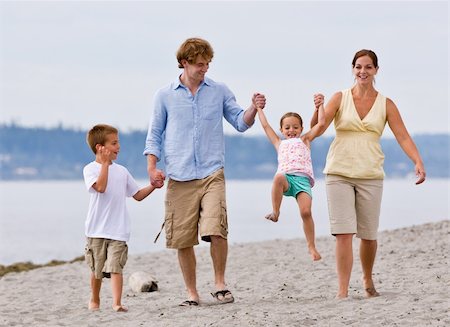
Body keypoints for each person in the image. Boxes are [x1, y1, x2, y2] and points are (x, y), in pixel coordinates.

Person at [143, 37, 266, 306]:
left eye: (208, 64)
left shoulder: (219, 90)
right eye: (200, 64)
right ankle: (192, 293)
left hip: (212, 172)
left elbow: (240, 122)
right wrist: (152, 168)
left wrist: (253, 109)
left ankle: (220, 284)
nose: (204, 69)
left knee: (217, 229)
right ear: (184, 63)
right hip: (179, 175)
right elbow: (154, 135)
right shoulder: (164, 95)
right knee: (183, 238)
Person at [311, 49, 426, 299]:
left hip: (370, 173)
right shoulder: (340, 98)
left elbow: (403, 136)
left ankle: (367, 277)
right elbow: (319, 127)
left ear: (376, 70)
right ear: (352, 69)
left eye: (368, 67)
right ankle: (342, 291)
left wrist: (417, 160)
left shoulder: (386, 103)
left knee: (368, 235)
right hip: (338, 172)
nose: (363, 71)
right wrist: (315, 114)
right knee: (343, 233)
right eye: (358, 67)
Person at [83, 124, 157, 312]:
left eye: (118, 142)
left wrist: (153, 186)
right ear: (100, 147)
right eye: (114, 143)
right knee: (97, 270)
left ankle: (117, 303)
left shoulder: (122, 171)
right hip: (96, 229)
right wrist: (106, 165)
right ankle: (95, 299)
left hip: (118, 230)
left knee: (116, 267)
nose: (118, 147)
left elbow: (137, 195)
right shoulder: (90, 169)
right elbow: (100, 187)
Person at [256, 99, 325, 261]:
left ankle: (311, 246)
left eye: (295, 127)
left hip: (302, 181)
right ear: (281, 129)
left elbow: (321, 124)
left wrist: (320, 105)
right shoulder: (278, 143)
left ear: (301, 129)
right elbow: (266, 126)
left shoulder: (305, 140)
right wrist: (259, 109)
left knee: (306, 212)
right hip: (286, 179)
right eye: (287, 127)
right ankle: (276, 212)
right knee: (278, 176)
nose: (291, 130)